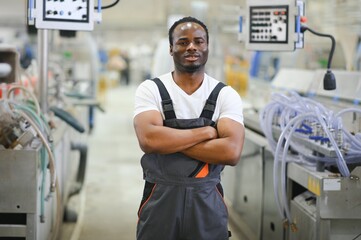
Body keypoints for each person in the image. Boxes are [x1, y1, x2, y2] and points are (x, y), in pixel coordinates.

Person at [133, 16, 245, 240]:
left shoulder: (225, 94)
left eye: (199, 41)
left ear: (207, 47)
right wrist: (206, 132)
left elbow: (231, 152)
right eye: (183, 42)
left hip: (207, 201)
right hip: (160, 199)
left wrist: (168, 140)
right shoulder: (151, 89)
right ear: (171, 49)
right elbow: (149, 141)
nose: (191, 46)